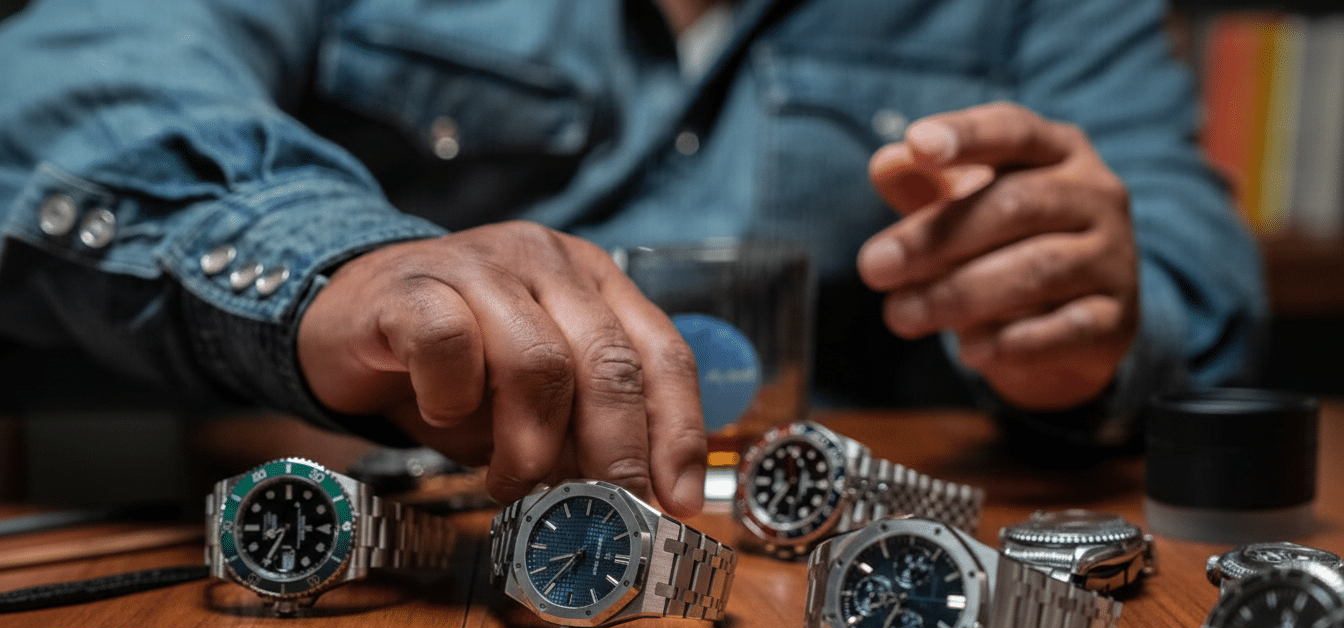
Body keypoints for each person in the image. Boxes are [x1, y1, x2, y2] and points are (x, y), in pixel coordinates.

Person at [0, 0, 1266, 516]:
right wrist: (340, 263)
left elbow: (1197, 275)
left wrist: (1094, 324)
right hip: (393, 546)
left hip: (815, 582)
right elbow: (62, 79)